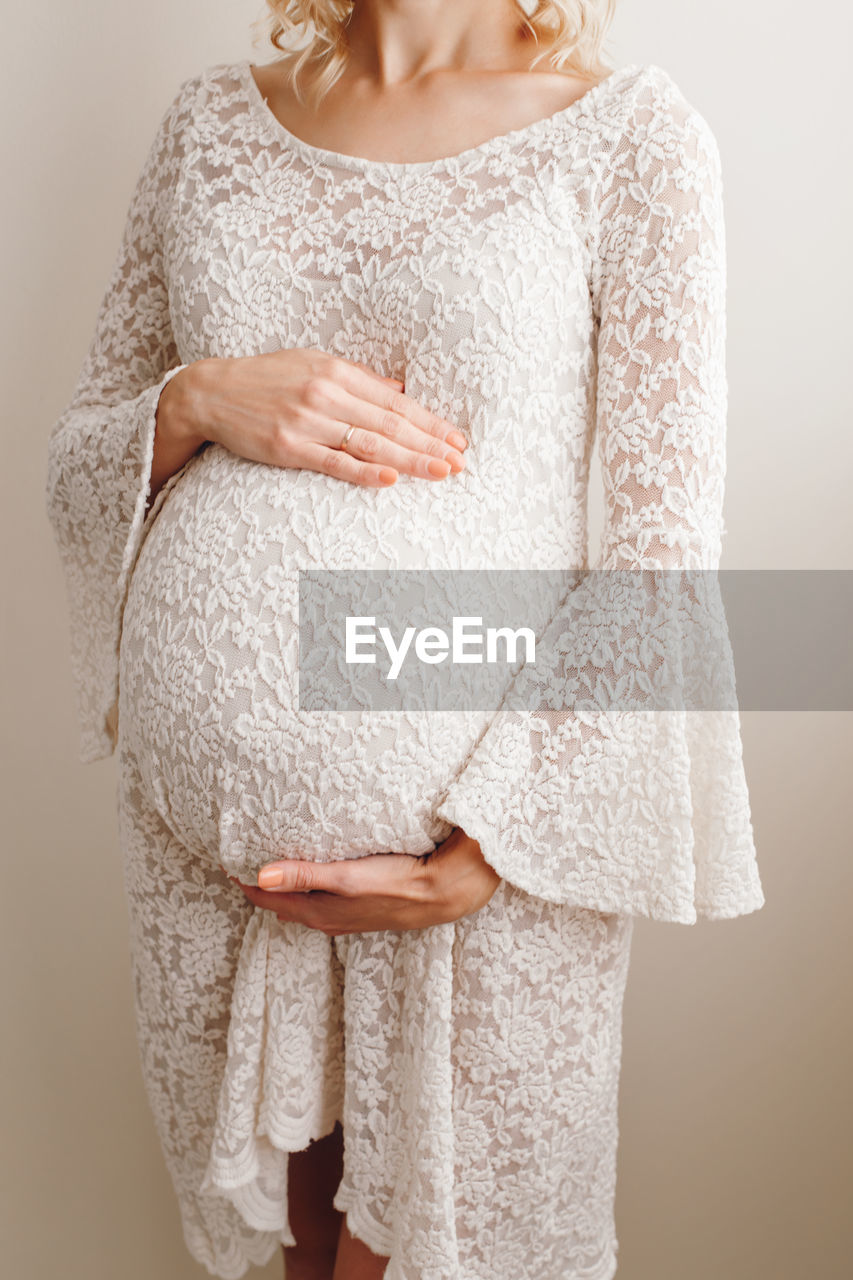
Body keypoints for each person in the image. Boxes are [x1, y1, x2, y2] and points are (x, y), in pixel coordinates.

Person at [44, 2, 766, 1278]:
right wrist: (203, 399)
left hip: (476, 872)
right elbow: (84, 452)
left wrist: (490, 853)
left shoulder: (626, 138)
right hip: (213, 881)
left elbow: (658, 558)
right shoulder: (210, 125)